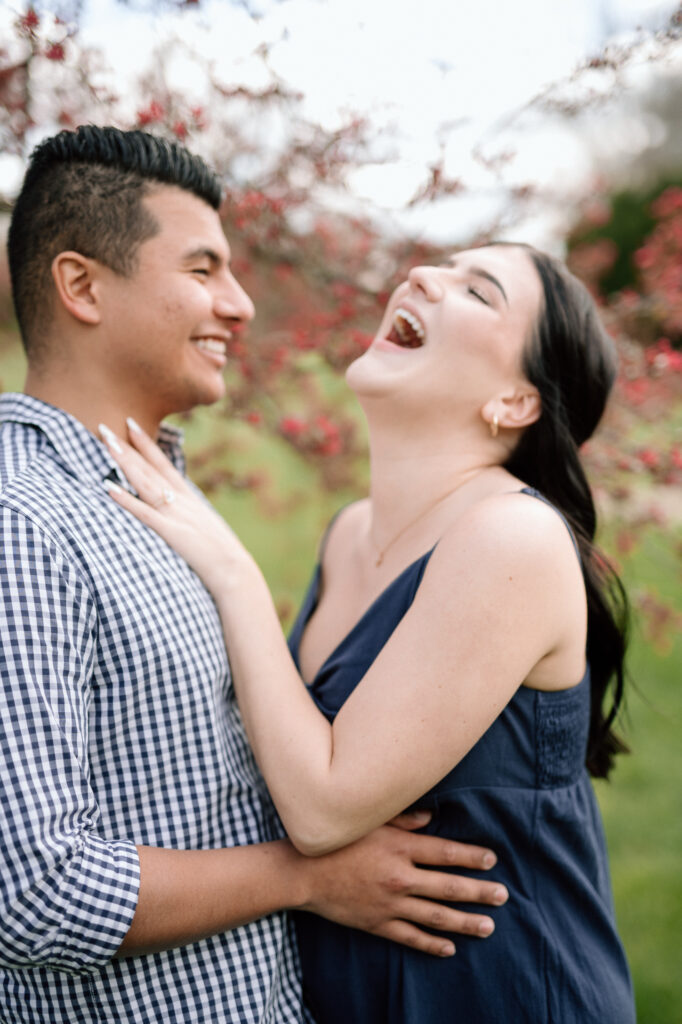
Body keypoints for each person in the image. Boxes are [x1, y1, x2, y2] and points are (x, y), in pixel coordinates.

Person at [0, 125, 508, 1024]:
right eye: (203, 271)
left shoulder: (147, 493)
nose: (239, 305)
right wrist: (306, 876)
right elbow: (37, 892)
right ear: (81, 286)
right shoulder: (24, 523)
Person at [104, 241, 637, 1022]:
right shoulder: (352, 531)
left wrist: (235, 575)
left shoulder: (512, 539)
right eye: (440, 267)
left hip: (504, 994)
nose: (421, 276)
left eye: (478, 291)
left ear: (517, 403)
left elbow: (322, 809)